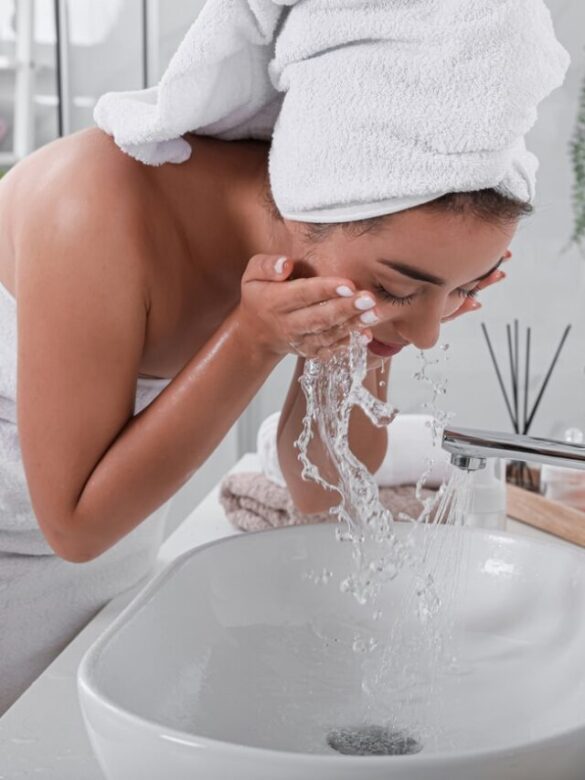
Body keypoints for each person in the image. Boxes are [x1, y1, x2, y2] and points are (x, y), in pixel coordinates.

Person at [0, 0, 567, 714]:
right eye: (399, 285)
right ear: (312, 207)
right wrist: (250, 339)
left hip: (115, 565)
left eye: (461, 290)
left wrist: (380, 327)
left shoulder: (323, 249)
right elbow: (74, 524)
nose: (429, 332)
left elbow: (324, 489)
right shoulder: (90, 207)